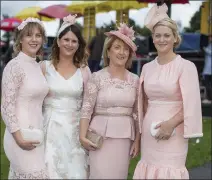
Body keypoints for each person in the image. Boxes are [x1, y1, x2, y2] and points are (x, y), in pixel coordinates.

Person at [133, 3, 203, 179]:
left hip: (175, 132)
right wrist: (141, 133)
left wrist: (170, 124)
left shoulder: (186, 67)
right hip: (150, 132)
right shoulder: (147, 68)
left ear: (175, 38)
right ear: (153, 38)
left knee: (169, 171)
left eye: (166, 35)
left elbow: (192, 102)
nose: (162, 40)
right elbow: (145, 102)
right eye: (157, 36)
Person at [79, 23, 140, 179]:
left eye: (126, 49)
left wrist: (138, 140)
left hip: (124, 139)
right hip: (98, 138)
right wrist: (82, 136)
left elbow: (137, 112)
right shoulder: (96, 77)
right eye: (117, 47)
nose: (122, 52)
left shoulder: (135, 80)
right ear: (108, 51)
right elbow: (86, 109)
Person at [39, 14, 91, 179]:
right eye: (66, 39)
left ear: (79, 44)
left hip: (75, 131)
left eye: (74, 41)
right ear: (58, 41)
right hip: (50, 128)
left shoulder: (84, 70)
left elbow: (89, 104)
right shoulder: (44, 68)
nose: (70, 44)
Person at [1, 17, 49, 179]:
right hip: (19, 137)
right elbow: (7, 107)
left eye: (38, 35)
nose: (34, 39)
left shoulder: (37, 66)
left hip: (37, 135)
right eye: (29, 35)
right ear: (20, 39)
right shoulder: (14, 66)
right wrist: (19, 138)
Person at [202, 34, 212, 104]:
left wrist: (205, 49)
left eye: (210, 37)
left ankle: (210, 98)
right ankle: (209, 98)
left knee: (208, 84)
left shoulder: (209, 46)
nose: (209, 38)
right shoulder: (209, 45)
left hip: (209, 70)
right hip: (207, 69)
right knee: (207, 84)